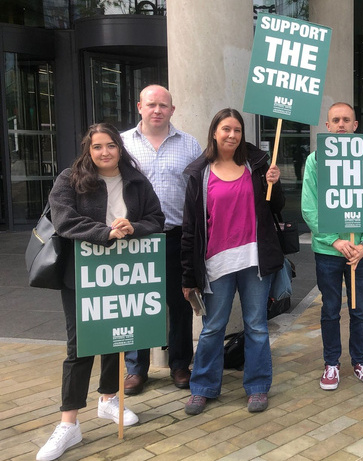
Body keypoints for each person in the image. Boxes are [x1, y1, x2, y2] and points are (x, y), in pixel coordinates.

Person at [38, 123, 164, 461]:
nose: (105, 152)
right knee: (80, 346)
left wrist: (133, 227)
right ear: (87, 150)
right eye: (98, 147)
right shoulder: (70, 179)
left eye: (111, 145)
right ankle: (69, 424)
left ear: (120, 148)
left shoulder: (136, 180)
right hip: (82, 275)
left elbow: (157, 217)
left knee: (118, 338)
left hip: (125, 272)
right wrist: (105, 231)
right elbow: (64, 221)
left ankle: (109, 400)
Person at [180, 108, 284, 415]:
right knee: (212, 327)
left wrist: (273, 183)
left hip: (254, 260)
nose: (232, 135)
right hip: (216, 264)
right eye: (226, 129)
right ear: (214, 132)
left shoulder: (257, 165)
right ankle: (202, 387)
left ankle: (257, 386)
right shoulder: (200, 174)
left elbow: (275, 207)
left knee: (256, 326)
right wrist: (188, 277)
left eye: (237, 130)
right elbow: (190, 229)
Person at [121, 84, 202, 394]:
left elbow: (199, 191)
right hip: (135, 239)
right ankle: (136, 368)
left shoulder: (190, 145)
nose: (157, 110)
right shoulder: (123, 144)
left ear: (172, 110)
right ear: (139, 106)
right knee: (137, 304)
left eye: (163, 105)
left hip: (176, 237)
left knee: (180, 303)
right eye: (151, 104)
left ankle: (180, 364)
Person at [301, 102, 363, 390]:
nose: (340, 124)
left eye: (346, 119)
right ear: (327, 127)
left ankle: (361, 361)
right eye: (335, 119)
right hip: (329, 251)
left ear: (355, 125)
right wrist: (334, 241)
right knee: (330, 309)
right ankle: (331, 364)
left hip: (362, 252)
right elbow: (309, 207)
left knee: (359, 309)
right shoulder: (315, 161)